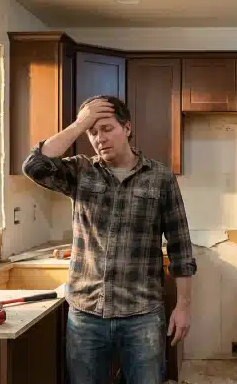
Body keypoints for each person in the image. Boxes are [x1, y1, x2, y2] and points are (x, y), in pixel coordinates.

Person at [22, 95, 197, 384]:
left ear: (127, 128)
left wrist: (184, 307)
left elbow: (181, 248)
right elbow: (34, 166)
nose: (99, 138)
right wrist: (79, 124)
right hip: (86, 314)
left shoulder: (160, 177)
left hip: (142, 315)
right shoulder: (80, 172)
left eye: (107, 129)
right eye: (92, 132)